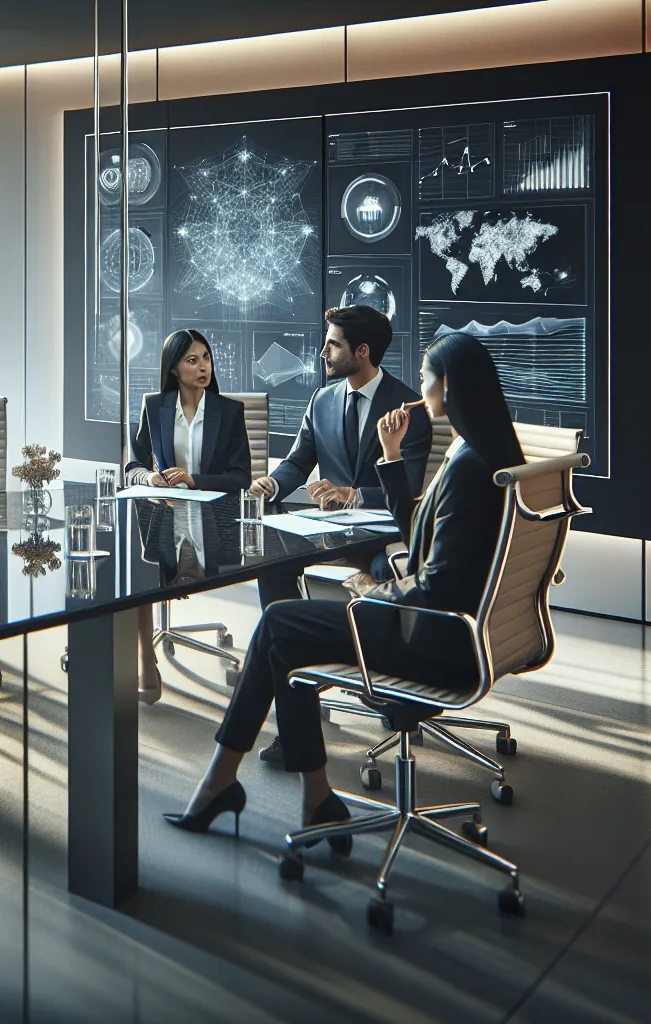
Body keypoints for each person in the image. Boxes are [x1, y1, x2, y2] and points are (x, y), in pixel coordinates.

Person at [163, 332, 524, 849]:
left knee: (278, 623)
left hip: (432, 641)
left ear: (448, 386)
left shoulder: (469, 468)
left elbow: (438, 584)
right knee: (283, 634)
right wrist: (392, 456)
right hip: (457, 635)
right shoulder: (485, 451)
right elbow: (423, 536)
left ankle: (226, 783)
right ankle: (308, 797)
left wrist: (371, 590)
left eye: (425, 377)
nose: (417, 387)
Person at [248, 305, 431, 604]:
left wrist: (353, 494)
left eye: (333, 344)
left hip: (380, 535)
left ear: (362, 351)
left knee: (382, 567)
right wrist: (273, 484)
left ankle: (366, 646)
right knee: (271, 561)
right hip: (327, 530)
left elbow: (409, 487)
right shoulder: (321, 400)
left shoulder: (408, 407)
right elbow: (298, 461)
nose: (323, 353)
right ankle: (288, 636)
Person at [123, 329, 253, 705]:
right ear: (174, 368)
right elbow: (131, 465)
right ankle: (147, 663)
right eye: (192, 360)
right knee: (138, 574)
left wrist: (195, 480)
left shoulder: (229, 411)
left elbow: (241, 477)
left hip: (213, 519)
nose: (203, 367)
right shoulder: (155, 406)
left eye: (206, 358)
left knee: (157, 571)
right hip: (163, 514)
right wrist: (148, 476)